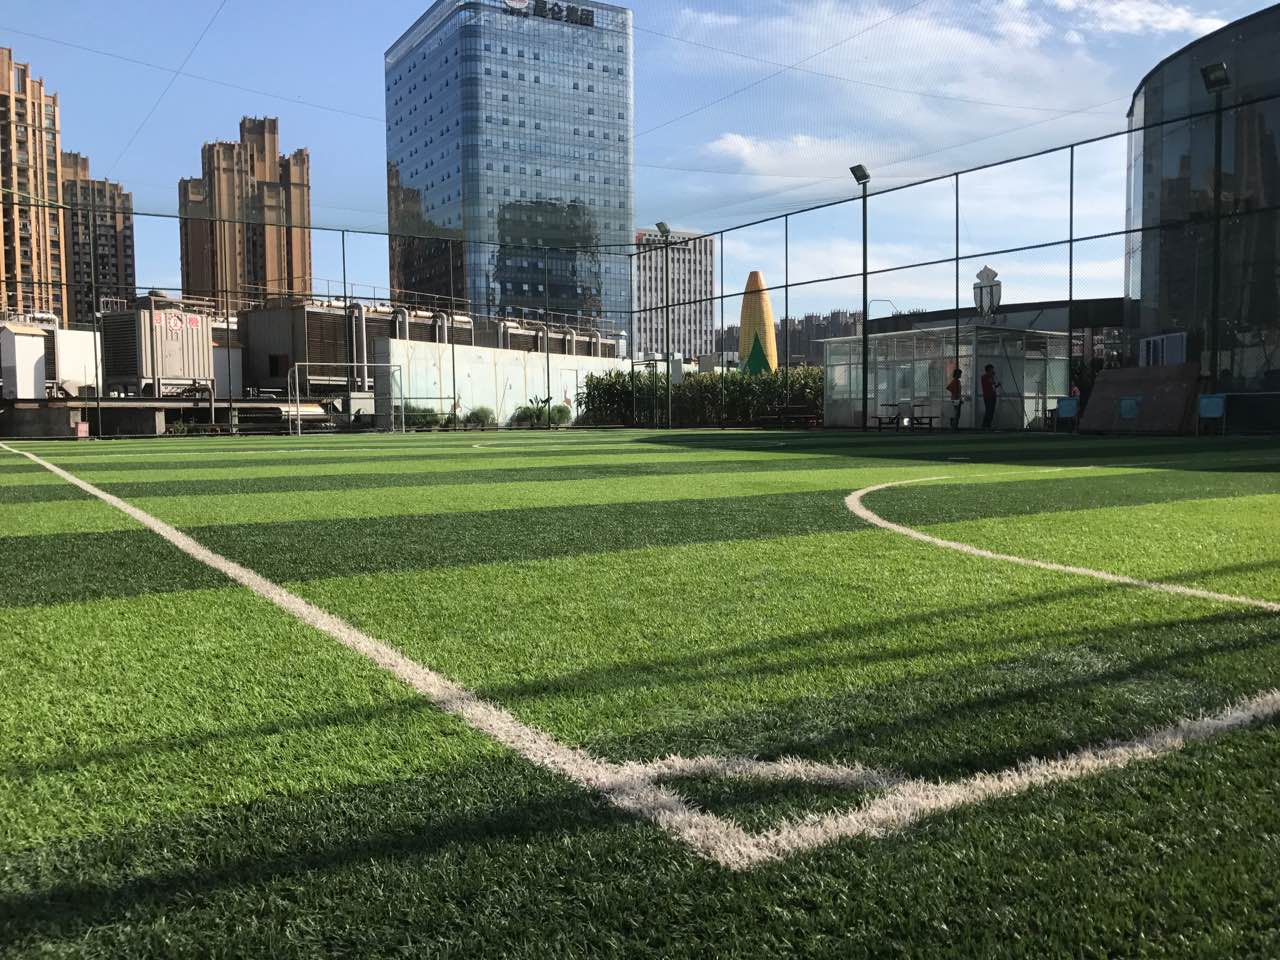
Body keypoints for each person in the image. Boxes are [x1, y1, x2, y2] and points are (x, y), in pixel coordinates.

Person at [981, 364, 1001, 430]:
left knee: (992, 411)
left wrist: (997, 385)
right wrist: (992, 376)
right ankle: (984, 425)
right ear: (988, 370)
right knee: (988, 411)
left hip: (993, 396)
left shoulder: (991, 377)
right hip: (988, 396)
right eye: (991, 369)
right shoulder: (984, 377)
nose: (992, 370)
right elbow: (989, 383)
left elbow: (993, 386)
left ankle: (988, 425)